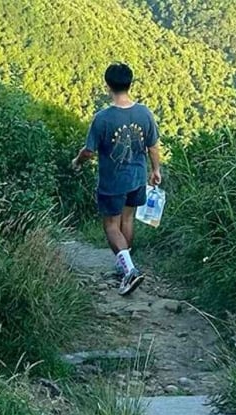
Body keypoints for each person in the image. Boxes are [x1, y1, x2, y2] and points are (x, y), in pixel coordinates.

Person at [71, 62, 162, 296]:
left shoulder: (102, 119)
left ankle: (130, 271)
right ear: (130, 84)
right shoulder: (144, 113)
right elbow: (152, 145)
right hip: (137, 177)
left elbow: (89, 151)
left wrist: (77, 162)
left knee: (111, 225)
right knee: (128, 220)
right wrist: (155, 170)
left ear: (107, 85)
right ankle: (125, 265)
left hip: (112, 181)